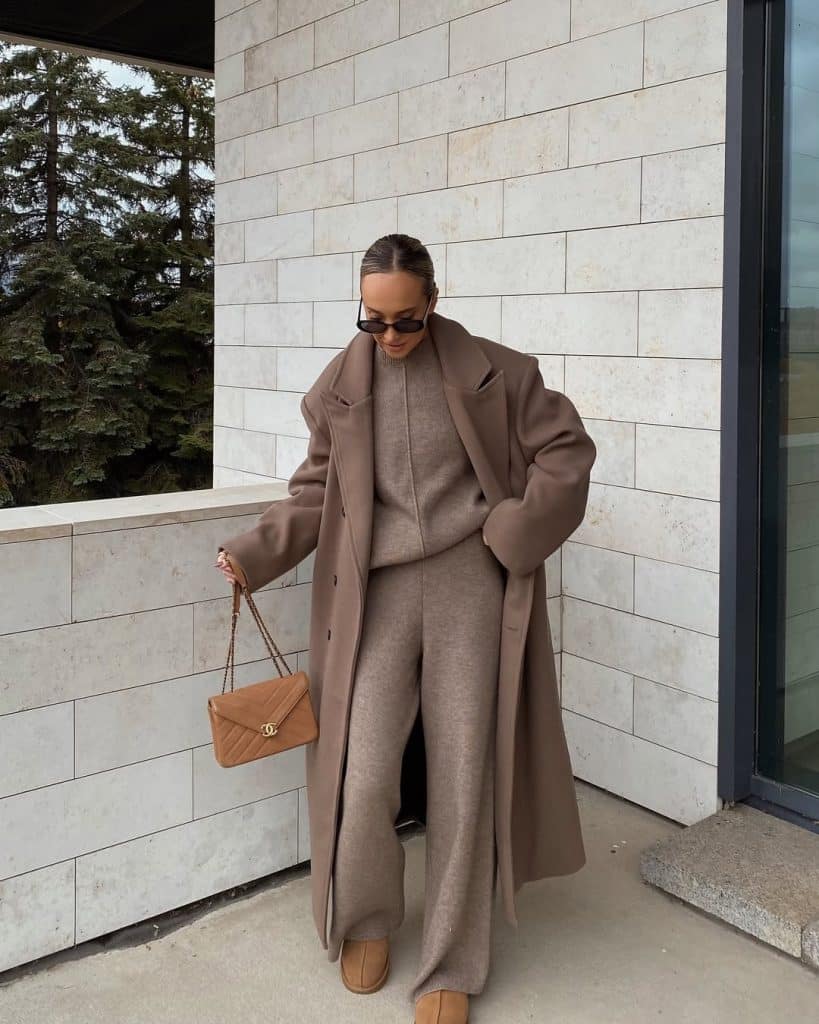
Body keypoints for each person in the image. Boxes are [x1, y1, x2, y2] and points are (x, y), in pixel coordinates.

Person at [215, 233, 596, 1024]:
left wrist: (508, 535)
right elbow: (317, 489)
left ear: (433, 299)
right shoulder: (339, 388)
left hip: (470, 586)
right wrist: (254, 553)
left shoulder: (502, 373)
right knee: (361, 767)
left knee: (463, 770)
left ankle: (453, 960)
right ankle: (364, 921)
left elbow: (566, 453)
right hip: (375, 595)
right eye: (373, 321)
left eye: (404, 320)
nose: (389, 337)